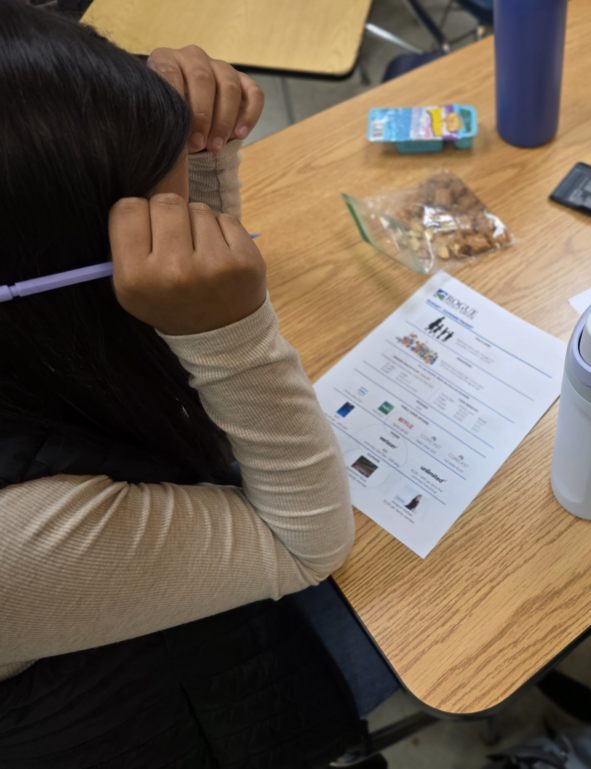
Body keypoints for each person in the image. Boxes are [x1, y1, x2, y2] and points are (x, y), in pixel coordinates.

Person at [0, 3, 395, 766]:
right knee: (441, 602)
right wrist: (231, 336)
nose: (177, 232)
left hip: (115, 578)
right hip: (165, 709)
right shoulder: (17, 545)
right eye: (155, 217)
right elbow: (306, 543)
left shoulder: (32, 340)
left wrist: (194, 155)